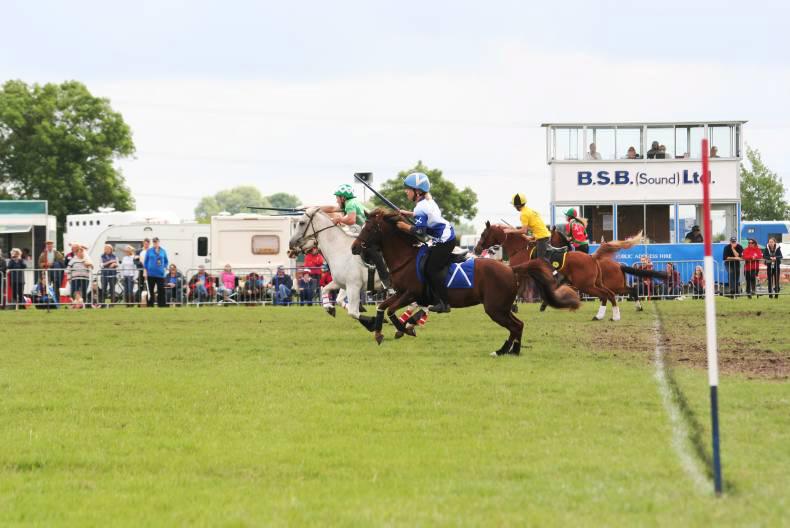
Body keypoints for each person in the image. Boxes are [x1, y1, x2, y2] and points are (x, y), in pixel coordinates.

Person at [396, 172, 456, 313]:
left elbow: (420, 232)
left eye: (408, 189)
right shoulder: (427, 201)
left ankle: (444, 303)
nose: (406, 191)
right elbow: (425, 216)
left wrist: (404, 226)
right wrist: (409, 214)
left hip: (445, 240)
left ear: (417, 191)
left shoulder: (420, 207)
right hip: (446, 235)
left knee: (431, 269)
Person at [322, 184, 393, 291]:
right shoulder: (349, 202)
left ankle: (385, 279)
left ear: (343, 198)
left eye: (337, 197)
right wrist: (314, 209)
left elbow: (351, 220)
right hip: (367, 230)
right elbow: (332, 208)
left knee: (370, 249)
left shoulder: (350, 203)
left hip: (370, 231)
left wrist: (339, 219)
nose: (336, 200)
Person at [505, 193, 551, 263]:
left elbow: (524, 231)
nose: (514, 207)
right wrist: (533, 236)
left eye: (514, 205)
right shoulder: (530, 210)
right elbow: (537, 226)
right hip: (543, 236)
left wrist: (510, 231)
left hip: (542, 238)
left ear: (517, 206)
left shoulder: (524, 214)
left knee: (540, 262)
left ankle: (551, 270)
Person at [143, 237, 168, 307]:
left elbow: (166, 261)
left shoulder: (163, 251)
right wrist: (145, 272)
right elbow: (145, 263)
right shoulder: (149, 251)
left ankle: (162, 305)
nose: (155, 243)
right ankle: (150, 305)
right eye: (154, 242)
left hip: (160, 274)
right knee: (150, 290)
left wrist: (164, 268)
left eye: (156, 242)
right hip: (150, 274)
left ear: (159, 242)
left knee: (161, 290)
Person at [134, 238, 151, 302]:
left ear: (149, 244)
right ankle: (139, 302)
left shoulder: (151, 251)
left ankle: (149, 301)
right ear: (143, 243)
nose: (146, 245)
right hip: (141, 271)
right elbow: (135, 261)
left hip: (150, 271)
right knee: (140, 286)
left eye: (147, 244)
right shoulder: (138, 251)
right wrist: (141, 264)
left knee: (149, 286)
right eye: (145, 244)